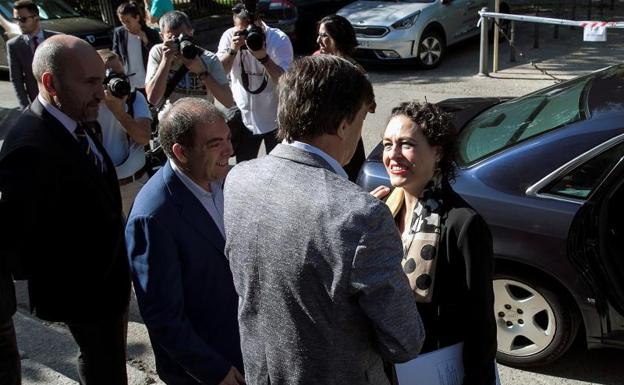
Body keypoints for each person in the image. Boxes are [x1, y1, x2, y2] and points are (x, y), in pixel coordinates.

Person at [223, 55, 425, 385]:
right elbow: (404, 342)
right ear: (344, 124)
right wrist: (375, 236)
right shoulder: (361, 217)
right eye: (361, 120)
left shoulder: (239, 179)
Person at [0, 35, 130, 385]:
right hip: (86, 297)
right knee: (103, 368)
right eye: (89, 82)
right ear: (49, 82)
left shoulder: (76, 120)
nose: (100, 93)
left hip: (108, 288)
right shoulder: (30, 145)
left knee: (110, 363)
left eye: (101, 81)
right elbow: (21, 251)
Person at [372, 102, 497, 385]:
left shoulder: (462, 224)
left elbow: (480, 322)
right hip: (384, 365)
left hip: (433, 369)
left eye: (406, 144)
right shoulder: (381, 211)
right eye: (387, 144)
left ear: (437, 152)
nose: (393, 155)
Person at [126, 97, 244, 385]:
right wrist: (214, 371)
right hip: (206, 371)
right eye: (215, 143)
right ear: (181, 152)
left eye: (228, 138)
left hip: (240, 347)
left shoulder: (221, 180)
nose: (229, 150)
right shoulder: (153, 217)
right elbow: (164, 318)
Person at [217, 1, 293, 162]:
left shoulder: (278, 39)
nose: (246, 38)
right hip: (245, 120)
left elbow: (285, 82)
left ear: (260, 24)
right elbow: (219, 73)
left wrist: (264, 57)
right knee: (245, 168)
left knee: (278, 169)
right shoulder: (230, 36)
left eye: (249, 31)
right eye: (241, 31)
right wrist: (232, 50)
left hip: (275, 119)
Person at [146, 11, 234, 114]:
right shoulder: (159, 53)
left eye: (183, 37)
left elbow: (228, 102)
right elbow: (152, 98)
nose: (178, 42)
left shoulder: (209, 59)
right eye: (172, 38)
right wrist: (166, 61)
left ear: (191, 32)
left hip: (202, 122)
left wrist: (202, 72)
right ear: (162, 36)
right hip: (170, 123)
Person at [98, 50, 152, 215]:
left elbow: (144, 137)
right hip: (105, 189)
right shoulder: (88, 105)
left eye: (121, 74)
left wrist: (119, 112)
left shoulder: (135, 98)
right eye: (111, 75)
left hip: (137, 184)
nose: (118, 80)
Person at [315, 14, 367, 182]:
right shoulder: (316, 62)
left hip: (344, 142)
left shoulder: (355, 72)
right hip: (318, 139)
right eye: (319, 35)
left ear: (339, 38)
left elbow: (361, 111)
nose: (318, 40)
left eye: (324, 36)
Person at [6, 0, 58, 110]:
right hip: (38, 104)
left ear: (36, 19)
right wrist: (25, 107)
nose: (19, 24)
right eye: (16, 20)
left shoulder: (56, 39)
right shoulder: (14, 45)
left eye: (23, 19)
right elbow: (16, 79)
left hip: (63, 100)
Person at [113, 1, 161, 92]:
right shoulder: (119, 33)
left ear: (137, 17)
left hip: (148, 81)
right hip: (128, 83)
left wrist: (147, 42)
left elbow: (158, 56)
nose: (125, 25)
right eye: (122, 22)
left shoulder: (151, 33)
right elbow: (116, 54)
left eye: (128, 21)